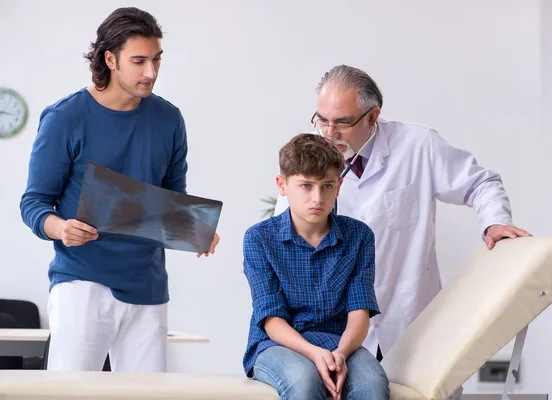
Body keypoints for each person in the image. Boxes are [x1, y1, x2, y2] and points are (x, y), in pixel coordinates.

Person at [274, 65, 531, 361]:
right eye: (323, 121)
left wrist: (495, 222)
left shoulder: (418, 146)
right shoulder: (309, 155)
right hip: (335, 329)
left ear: (372, 116)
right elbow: (280, 232)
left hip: (408, 318)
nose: (329, 134)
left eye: (342, 123)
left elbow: (480, 183)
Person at [20, 7, 218, 372]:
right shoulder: (65, 117)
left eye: (157, 60)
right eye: (139, 61)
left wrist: (194, 228)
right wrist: (61, 229)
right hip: (81, 283)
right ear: (110, 59)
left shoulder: (169, 119)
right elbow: (33, 203)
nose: (151, 72)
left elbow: (171, 201)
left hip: (148, 288)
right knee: (69, 398)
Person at [243, 134, 390, 400]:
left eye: (326, 186)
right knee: (304, 380)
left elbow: (359, 315)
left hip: (338, 342)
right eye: (306, 186)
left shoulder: (359, 236)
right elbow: (272, 320)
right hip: (275, 344)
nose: (317, 198)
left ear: (339, 186)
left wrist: (341, 355)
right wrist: (314, 354)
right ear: (282, 185)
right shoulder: (259, 238)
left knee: (372, 384)